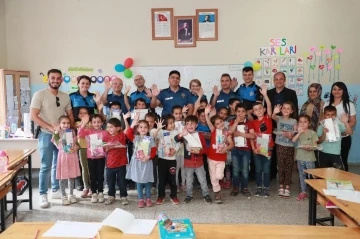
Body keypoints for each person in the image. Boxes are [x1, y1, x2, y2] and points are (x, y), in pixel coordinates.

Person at [30, 69, 74, 209]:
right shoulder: (39, 95)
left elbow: (70, 115)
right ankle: (43, 194)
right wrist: (50, 127)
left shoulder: (65, 96)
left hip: (63, 136)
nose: (55, 80)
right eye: (53, 78)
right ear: (48, 79)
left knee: (59, 163)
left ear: (61, 80)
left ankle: (55, 190)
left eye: (58, 78)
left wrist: (71, 131)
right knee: (45, 165)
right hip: (46, 134)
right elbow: (34, 116)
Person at [266, 72, 298, 180]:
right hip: (272, 125)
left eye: (281, 79)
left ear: (284, 80)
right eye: (276, 79)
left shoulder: (291, 93)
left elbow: (295, 110)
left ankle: (286, 176)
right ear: (273, 81)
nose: (278, 81)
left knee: (286, 150)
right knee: (273, 149)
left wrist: (294, 127)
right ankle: (272, 174)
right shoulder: (269, 93)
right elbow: (266, 109)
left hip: (287, 126)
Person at [175, 115, 212, 204]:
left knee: (202, 180)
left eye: (192, 123)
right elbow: (176, 139)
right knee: (189, 181)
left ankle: (206, 194)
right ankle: (189, 195)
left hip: (199, 162)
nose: (190, 125)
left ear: (196, 125)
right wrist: (181, 134)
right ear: (185, 126)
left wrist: (198, 151)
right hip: (188, 163)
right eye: (188, 124)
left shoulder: (200, 135)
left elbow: (205, 149)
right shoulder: (184, 135)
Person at [204, 105, 235, 203]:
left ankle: (220, 183)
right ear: (215, 126)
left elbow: (232, 144)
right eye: (217, 123)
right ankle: (217, 193)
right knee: (213, 177)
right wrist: (206, 114)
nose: (220, 124)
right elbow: (209, 122)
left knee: (219, 176)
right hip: (211, 158)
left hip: (221, 158)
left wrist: (225, 148)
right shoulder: (213, 131)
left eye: (221, 121)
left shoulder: (227, 133)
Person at [125, 116, 157, 208]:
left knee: (147, 181)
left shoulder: (150, 139)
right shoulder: (135, 138)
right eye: (141, 127)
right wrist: (132, 125)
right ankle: (140, 199)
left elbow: (154, 151)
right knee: (138, 182)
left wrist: (149, 157)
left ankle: (148, 198)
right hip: (137, 163)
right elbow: (127, 133)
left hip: (147, 163)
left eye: (145, 127)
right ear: (138, 129)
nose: (143, 129)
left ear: (148, 129)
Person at [323, 82, 356, 171]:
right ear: (332, 91)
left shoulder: (349, 104)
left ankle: (344, 183)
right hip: (330, 138)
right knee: (330, 162)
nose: (337, 91)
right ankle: (331, 183)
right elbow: (324, 120)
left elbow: (353, 121)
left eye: (339, 89)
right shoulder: (327, 104)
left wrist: (345, 129)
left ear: (343, 91)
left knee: (341, 161)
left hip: (343, 138)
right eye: (334, 89)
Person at [78, 114, 108, 203]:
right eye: (94, 122)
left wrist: (104, 147)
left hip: (101, 157)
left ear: (102, 123)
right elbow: (80, 134)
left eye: (99, 122)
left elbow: (107, 143)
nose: (96, 124)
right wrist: (84, 123)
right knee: (92, 176)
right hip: (90, 157)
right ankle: (94, 193)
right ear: (91, 123)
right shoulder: (88, 131)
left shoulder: (105, 133)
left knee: (100, 175)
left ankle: (101, 192)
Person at [250, 85, 273, 198]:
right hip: (258, 149)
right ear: (253, 112)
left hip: (268, 148)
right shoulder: (253, 123)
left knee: (266, 169)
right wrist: (254, 148)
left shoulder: (267, 118)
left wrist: (265, 95)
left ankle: (266, 188)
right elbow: (251, 137)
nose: (258, 111)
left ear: (263, 110)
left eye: (260, 109)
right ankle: (259, 187)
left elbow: (269, 105)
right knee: (258, 169)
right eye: (255, 110)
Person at [52, 116, 80, 206]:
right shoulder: (57, 133)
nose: (66, 125)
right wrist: (56, 132)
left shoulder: (72, 132)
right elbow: (56, 142)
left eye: (68, 123)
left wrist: (76, 147)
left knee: (71, 176)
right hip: (63, 157)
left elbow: (76, 143)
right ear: (60, 124)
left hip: (72, 156)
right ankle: (63, 195)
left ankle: (71, 194)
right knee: (62, 177)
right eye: (63, 123)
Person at [228, 103, 255, 197]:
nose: (240, 114)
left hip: (246, 150)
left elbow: (252, 135)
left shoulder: (249, 122)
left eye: (243, 111)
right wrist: (236, 122)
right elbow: (230, 132)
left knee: (245, 170)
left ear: (246, 113)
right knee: (235, 169)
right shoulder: (232, 121)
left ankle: (244, 187)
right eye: (238, 111)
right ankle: (235, 187)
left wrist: (240, 134)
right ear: (235, 112)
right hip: (235, 149)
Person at [272, 102, 297, 199]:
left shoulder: (294, 121)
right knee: (281, 166)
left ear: (291, 111)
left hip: (290, 146)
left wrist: (291, 135)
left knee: (289, 167)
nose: (286, 110)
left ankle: (287, 187)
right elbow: (273, 117)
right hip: (280, 146)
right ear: (281, 110)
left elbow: (295, 134)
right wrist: (274, 112)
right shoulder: (279, 119)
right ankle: (281, 186)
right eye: (284, 108)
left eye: (288, 108)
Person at [155, 115, 182, 205]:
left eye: (173, 122)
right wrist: (158, 128)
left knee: (172, 179)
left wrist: (174, 150)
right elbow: (154, 137)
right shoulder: (161, 132)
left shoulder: (176, 132)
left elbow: (179, 143)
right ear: (165, 124)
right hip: (162, 159)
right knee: (161, 179)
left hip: (172, 159)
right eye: (170, 123)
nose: (172, 124)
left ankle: (173, 195)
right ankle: (161, 196)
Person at [292, 115, 318, 201]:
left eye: (305, 122)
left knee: (311, 176)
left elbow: (315, 146)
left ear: (309, 123)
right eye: (300, 122)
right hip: (300, 158)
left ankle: (313, 192)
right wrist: (299, 132)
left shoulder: (313, 133)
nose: (302, 124)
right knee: (301, 175)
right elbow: (293, 140)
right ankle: (303, 192)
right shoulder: (298, 132)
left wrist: (310, 147)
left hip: (310, 158)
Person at [103, 117, 129, 205]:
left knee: (122, 181)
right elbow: (105, 150)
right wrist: (107, 148)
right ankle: (111, 196)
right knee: (110, 182)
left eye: (111, 127)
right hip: (110, 164)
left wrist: (112, 146)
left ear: (118, 128)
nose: (109, 129)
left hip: (121, 163)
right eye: (108, 127)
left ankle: (123, 196)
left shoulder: (121, 135)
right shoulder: (106, 136)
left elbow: (124, 145)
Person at [74, 107, 92, 198]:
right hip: (82, 148)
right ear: (78, 115)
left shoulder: (92, 123)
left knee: (92, 168)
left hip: (92, 148)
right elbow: (79, 131)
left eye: (85, 113)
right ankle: (86, 187)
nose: (83, 115)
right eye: (81, 113)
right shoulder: (77, 123)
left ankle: (92, 188)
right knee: (84, 168)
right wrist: (84, 122)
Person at [172, 105, 186, 192]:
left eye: (180, 113)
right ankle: (176, 185)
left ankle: (183, 184)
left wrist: (185, 115)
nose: (178, 115)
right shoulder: (171, 123)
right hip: (175, 148)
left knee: (183, 166)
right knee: (176, 168)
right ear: (172, 114)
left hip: (184, 147)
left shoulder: (184, 122)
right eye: (176, 114)